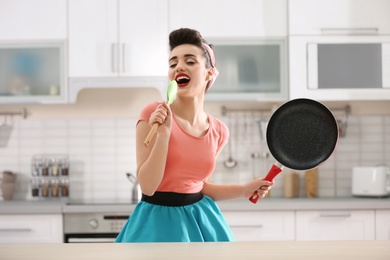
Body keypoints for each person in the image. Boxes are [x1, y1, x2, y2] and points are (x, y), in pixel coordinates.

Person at [115, 28, 274, 243]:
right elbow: (148, 186)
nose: (179, 66)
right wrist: (163, 135)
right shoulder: (153, 115)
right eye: (173, 63)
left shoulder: (218, 130)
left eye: (190, 61)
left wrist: (244, 190)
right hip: (157, 222)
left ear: (209, 73)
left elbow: (199, 186)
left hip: (202, 220)